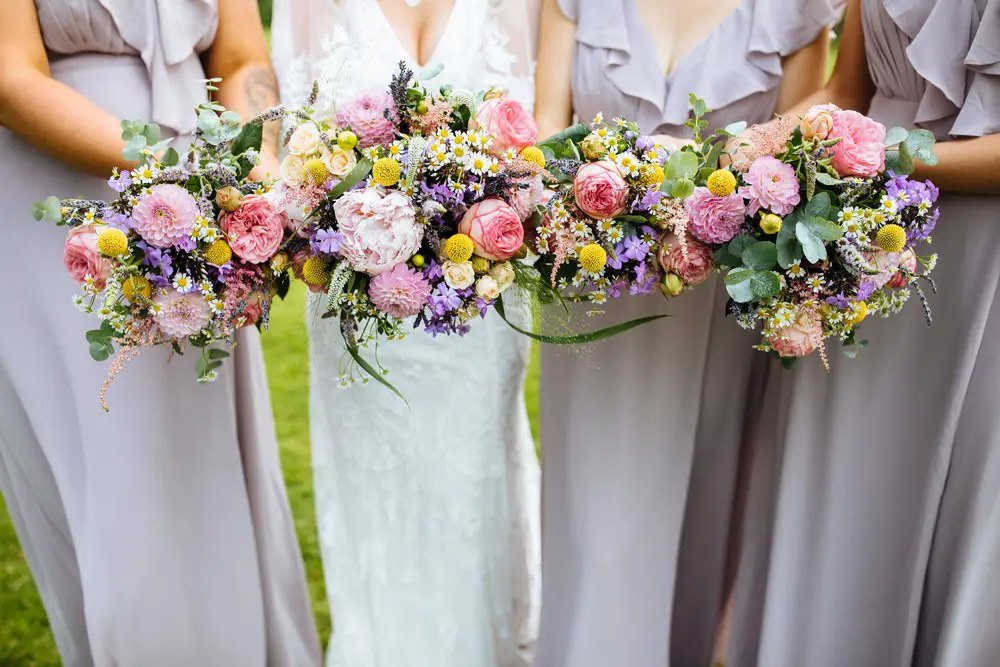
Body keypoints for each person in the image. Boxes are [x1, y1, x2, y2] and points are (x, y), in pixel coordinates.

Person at [0, 1, 320, 665]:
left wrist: (251, 169)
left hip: (202, 212)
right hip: (66, 208)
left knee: (204, 460)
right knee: (119, 475)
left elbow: (240, 60)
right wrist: (171, 173)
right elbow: (13, 77)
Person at [531, 0, 841, 665]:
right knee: (593, 521)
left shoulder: (794, 12)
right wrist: (585, 197)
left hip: (715, 302)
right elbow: (544, 129)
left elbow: (789, 169)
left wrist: (707, 177)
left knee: (697, 520)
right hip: (595, 292)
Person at [720, 1, 1000, 665]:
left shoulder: (888, 158)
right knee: (847, 508)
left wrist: (888, 155)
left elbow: (872, 129)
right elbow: (848, 92)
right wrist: (748, 151)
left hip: (979, 271)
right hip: (867, 253)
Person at [269, 0, 541, 665]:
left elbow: (533, 148)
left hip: (478, 304)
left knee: (471, 484)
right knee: (377, 496)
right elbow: (293, 156)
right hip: (359, 305)